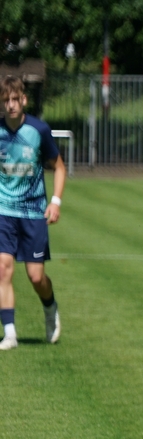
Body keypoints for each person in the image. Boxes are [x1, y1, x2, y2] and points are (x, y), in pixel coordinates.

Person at [0, 75, 67, 350]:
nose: (11, 105)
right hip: (4, 210)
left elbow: (59, 167)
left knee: (36, 276)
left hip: (33, 211)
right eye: (6, 100)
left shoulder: (39, 130)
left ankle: (50, 308)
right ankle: (10, 334)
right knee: (2, 268)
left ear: (24, 100)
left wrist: (55, 202)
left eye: (15, 99)